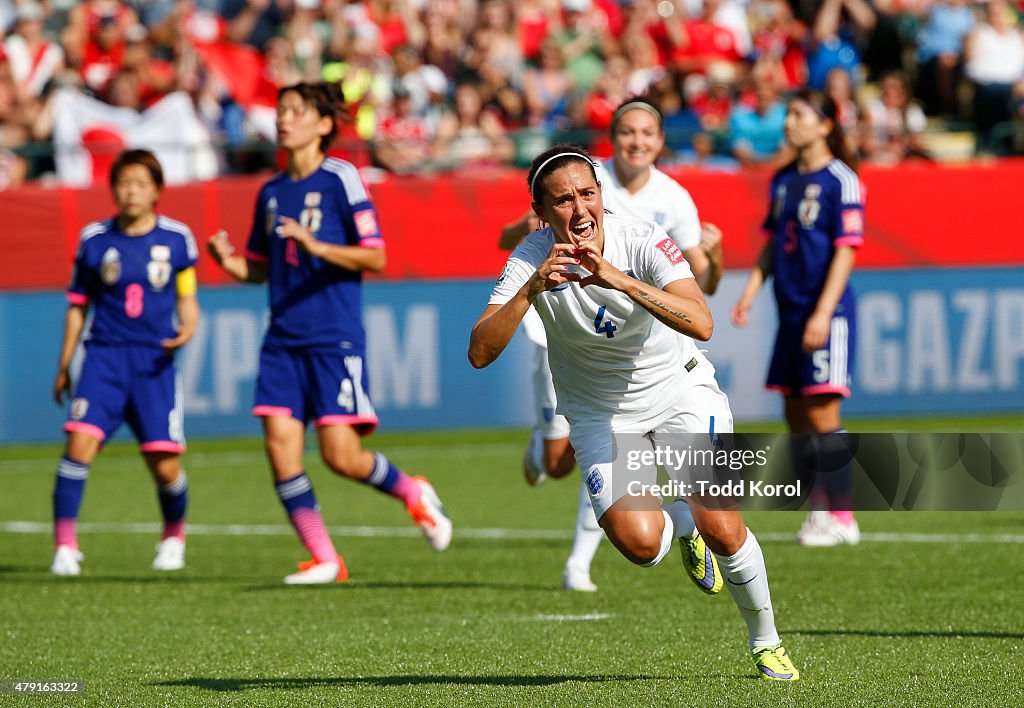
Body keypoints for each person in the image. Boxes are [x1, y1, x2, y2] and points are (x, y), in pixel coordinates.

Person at [472, 145, 799, 681]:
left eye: (587, 194)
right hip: (602, 415)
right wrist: (531, 290)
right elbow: (480, 352)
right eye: (562, 201)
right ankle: (681, 521)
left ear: (601, 195)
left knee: (723, 524)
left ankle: (766, 640)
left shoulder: (642, 239)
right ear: (540, 211)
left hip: (681, 393)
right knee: (643, 545)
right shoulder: (530, 260)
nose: (579, 210)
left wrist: (618, 279)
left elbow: (701, 321)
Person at [207, 81, 452, 585]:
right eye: (281, 111)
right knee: (279, 448)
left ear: (323, 125)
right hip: (282, 340)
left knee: (341, 457)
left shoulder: (342, 178)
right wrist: (227, 261)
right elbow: (261, 269)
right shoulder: (271, 191)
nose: (284, 119)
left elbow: (376, 255)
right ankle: (324, 557)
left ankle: (412, 491)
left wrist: (316, 245)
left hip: (332, 338)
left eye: (296, 111)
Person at [499, 99, 724, 593]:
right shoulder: (570, 180)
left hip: (640, 356)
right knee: (560, 463)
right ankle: (541, 452)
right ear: (613, 140)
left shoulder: (673, 199)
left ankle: (579, 564)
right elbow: (509, 241)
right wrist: (527, 233)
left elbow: (700, 279)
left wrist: (713, 255)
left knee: (618, 461)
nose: (637, 141)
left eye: (647, 133)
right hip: (564, 342)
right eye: (627, 132)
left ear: (660, 142)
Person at [51, 149, 200, 576]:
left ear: (157, 191)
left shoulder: (176, 239)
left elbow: (188, 299)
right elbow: (78, 306)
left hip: (155, 363)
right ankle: (65, 546)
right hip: (104, 360)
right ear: (113, 188)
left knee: (164, 464)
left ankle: (173, 534)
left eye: (140, 183)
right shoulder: (94, 239)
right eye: (124, 182)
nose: (131, 191)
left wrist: (187, 328)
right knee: (79, 444)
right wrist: (64, 364)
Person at [731, 89, 863, 547]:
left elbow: (847, 249)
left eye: (800, 115)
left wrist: (824, 312)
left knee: (823, 410)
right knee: (794, 413)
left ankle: (843, 517)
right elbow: (772, 242)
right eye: (788, 114)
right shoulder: (784, 180)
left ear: (826, 124)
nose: (789, 123)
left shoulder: (841, 180)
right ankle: (818, 508)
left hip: (826, 312)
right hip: (788, 312)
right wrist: (750, 290)